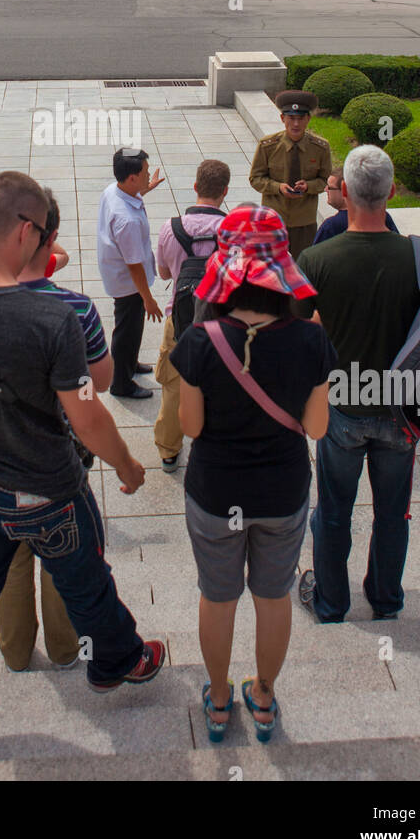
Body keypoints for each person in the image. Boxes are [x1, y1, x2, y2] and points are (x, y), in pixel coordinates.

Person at [0, 172, 165, 761]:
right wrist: (127, 464)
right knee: (88, 585)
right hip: (47, 493)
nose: (46, 245)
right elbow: (87, 416)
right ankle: (118, 660)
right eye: (43, 234)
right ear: (24, 231)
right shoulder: (52, 320)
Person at [169, 206, 333, 742]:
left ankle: (218, 702)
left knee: (218, 598)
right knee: (273, 596)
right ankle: (262, 696)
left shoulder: (200, 340)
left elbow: (190, 427)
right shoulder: (312, 340)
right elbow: (315, 426)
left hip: (216, 494)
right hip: (282, 493)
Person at [295, 146, 420, 624]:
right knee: (393, 513)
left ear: (343, 193)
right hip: (402, 409)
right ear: (391, 191)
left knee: (332, 512)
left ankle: (330, 603)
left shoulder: (317, 258)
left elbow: (297, 329)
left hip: (344, 404)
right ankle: (386, 599)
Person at [0, 187, 112, 672]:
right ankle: (66, 649)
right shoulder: (77, 308)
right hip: (61, 459)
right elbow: (101, 380)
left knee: (9, 560)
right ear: (53, 236)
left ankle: (16, 652)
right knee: (64, 553)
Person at [154, 159, 230, 472]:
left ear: (195, 186)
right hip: (222, 324)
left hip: (180, 319)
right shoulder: (233, 232)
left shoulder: (169, 229)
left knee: (173, 386)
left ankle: (169, 451)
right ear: (225, 192)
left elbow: (162, 274)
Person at [97, 148, 165, 399]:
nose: (149, 176)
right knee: (128, 330)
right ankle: (121, 384)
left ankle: (130, 363)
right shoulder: (128, 221)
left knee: (129, 328)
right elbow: (134, 265)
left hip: (117, 273)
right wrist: (148, 298)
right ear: (132, 178)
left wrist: (148, 188)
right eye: (145, 173)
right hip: (129, 284)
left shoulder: (112, 190)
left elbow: (132, 194)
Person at [249, 90, 332, 258]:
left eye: (300, 118)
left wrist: (309, 186)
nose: (295, 124)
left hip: (304, 222)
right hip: (273, 220)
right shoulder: (268, 146)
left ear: (308, 119)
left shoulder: (320, 148)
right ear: (282, 118)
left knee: (301, 267)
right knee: (270, 269)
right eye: (291, 118)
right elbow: (255, 178)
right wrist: (278, 187)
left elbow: (326, 180)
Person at [313, 166, 399, 243]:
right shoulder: (383, 218)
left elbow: (314, 258)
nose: (325, 189)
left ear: (344, 190)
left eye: (329, 187)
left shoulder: (330, 227)